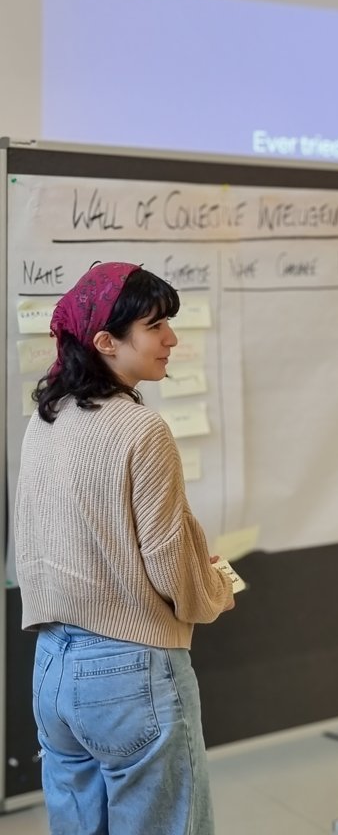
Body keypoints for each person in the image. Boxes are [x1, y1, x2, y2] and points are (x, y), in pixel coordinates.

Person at [14, 261, 234, 835]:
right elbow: (172, 567)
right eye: (155, 325)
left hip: (52, 668)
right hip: (132, 669)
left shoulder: (46, 421)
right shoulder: (143, 430)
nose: (172, 339)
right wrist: (212, 592)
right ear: (106, 342)